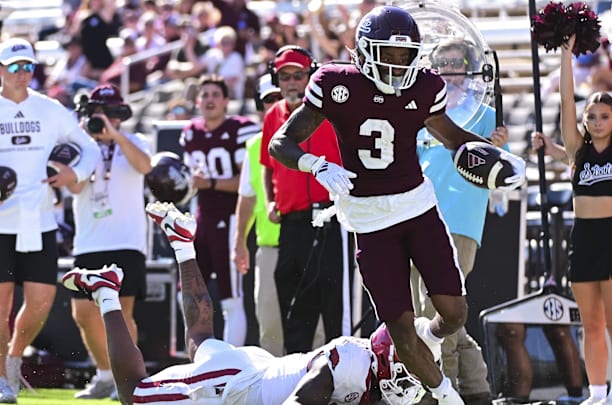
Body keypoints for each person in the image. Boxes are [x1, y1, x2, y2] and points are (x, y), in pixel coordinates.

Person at [269, 6, 522, 403]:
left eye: (405, 56)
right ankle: (445, 395)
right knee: (400, 327)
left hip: (416, 208)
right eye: (388, 54)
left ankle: (430, 336)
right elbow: (280, 143)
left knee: (454, 313)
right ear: (365, 51)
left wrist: (491, 161)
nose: (397, 64)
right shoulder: (336, 83)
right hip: (368, 219)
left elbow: (454, 139)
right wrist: (314, 164)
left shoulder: (424, 87)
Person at [61, 201, 443, 405]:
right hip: (237, 385)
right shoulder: (350, 363)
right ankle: (107, 292)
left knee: (201, 340)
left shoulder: (388, 382)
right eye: (412, 364)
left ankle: (181, 243)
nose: (416, 375)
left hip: (260, 375)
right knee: (135, 396)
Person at [0, 37, 101, 403]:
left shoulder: (49, 109)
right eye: (15, 67)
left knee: (42, 302)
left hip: (39, 221)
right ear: (0, 70)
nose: (23, 72)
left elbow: (88, 147)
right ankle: (1, 380)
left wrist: (75, 175)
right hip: (0, 225)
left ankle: (13, 360)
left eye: (28, 66)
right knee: (1, 305)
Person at [411, 38, 503, 405]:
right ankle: (476, 388)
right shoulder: (421, 112)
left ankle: (440, 390)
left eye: (455, 63)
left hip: (461, 220)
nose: (449, 70)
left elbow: (498, 171)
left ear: (469, 67)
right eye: (441, 64)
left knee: (440, 312)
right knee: (428, 314)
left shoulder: (485, 113)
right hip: (417, 219)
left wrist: (496, 144)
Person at [558, 35, 612, 405]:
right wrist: (565, 54)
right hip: (584, 238)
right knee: (590, 324)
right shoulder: (578, 151)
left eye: (603, 116)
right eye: (590, 116)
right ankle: (597, 394)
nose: (595, 121)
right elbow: (565, 100)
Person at [259, 45, 349, 355]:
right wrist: (271, 201)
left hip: (333, 218)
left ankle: (347, 380)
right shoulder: (273, 116)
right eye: (285, 76)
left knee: (335, 304)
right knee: (293, 303)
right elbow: (269, 166)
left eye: (299, 75)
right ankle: (297, 379)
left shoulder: (332, 109)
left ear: (310, 75)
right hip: (293, 223)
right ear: (277, 80)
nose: (292, 82)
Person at [65, 84, 152, 400]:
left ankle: (129, 380)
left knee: (121, 313)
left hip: (126, 240)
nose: (102, 120)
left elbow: (146, 166)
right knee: (83, 313)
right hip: (88, 241)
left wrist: (114, 135)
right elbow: (73, 188)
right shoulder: (81, 145)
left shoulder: (136, 140)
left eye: (108, 113)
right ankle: (105, 375)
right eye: (96, 114)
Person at [180, 74, 260, 346]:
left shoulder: (241, 128)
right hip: (201, 220)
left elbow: (247, 182)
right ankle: (200, 361)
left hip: (230, 219)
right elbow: (189, 183)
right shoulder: (190, 132)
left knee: (230, 299)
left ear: (226, 100)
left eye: (215, 94)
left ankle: (231, 368)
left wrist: (210, 182)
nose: (209, 100)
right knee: (193, 297)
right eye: (205, 95)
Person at [233, 74, 285, 356]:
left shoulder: (317, 133)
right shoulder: (254, 146)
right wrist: (239, 241)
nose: (276, 104)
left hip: (311, 242)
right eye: (269, 100)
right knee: (270, 328)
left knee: (316, 329)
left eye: (279, 97)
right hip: (268, 247)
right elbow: (248, 195)